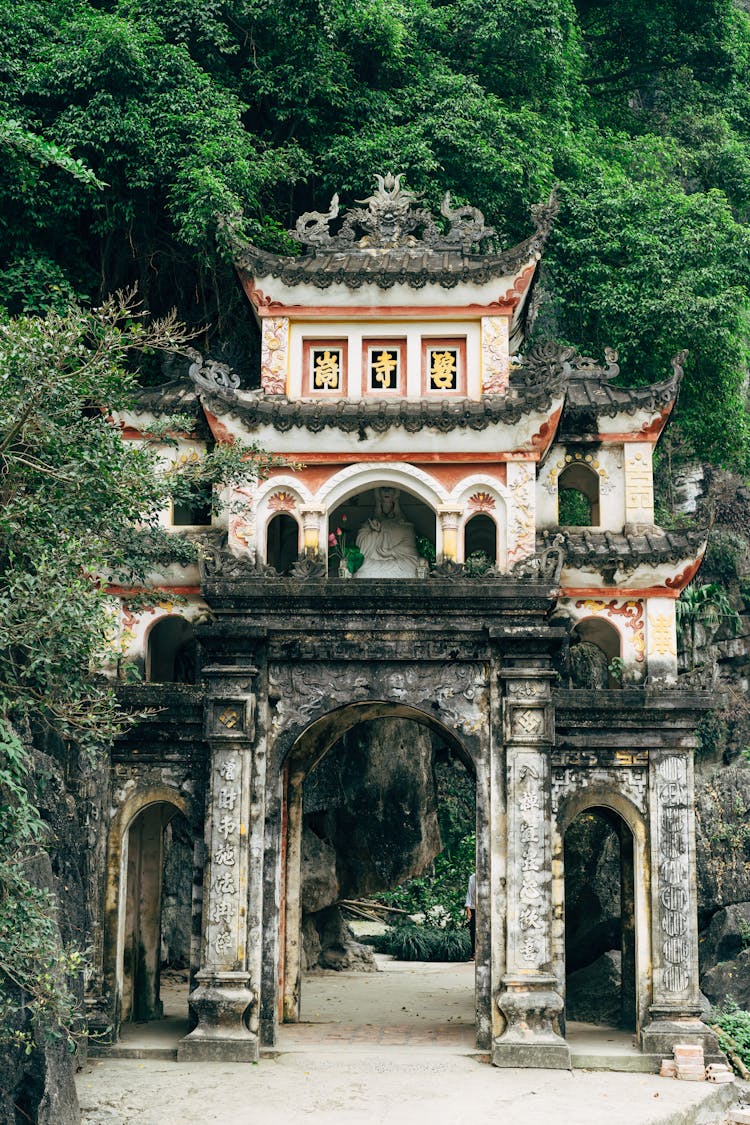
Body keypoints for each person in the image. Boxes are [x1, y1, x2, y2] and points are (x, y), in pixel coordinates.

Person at [355, 487, 419, 578]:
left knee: (414, 565)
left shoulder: (405, 525)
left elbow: (411, 549)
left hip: (398, 563)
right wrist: (375, 532)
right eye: (383, 488)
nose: (386, 491)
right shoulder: (369, 524)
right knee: (362, 566)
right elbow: (361, 550)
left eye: (390, 488)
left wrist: (392, 552)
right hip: (373, 564)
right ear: (378, 496)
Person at [465, 871, 476, 959]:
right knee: (473, 930)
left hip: (487, 908)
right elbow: (469, 893)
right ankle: (474, 952)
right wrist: (468, 908)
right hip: (474, 908)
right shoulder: (472, 877)